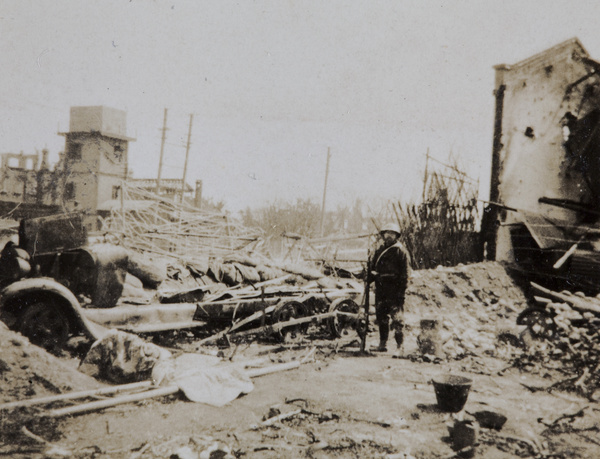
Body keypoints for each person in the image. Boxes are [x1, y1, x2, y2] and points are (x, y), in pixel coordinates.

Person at [368, 222, 411, 355]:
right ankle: (382, 344)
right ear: (383, 235)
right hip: (381, 288)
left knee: (397, 319)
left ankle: (400, 347)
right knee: (381, 317)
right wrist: (370, 276)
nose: (389, 236)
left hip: (395, 289)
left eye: (392, 233)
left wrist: (401, 292)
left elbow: (406, 274)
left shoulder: (400, 251)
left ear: (396, 236)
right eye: (387, 233)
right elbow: (373, 267)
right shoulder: (379, 250)